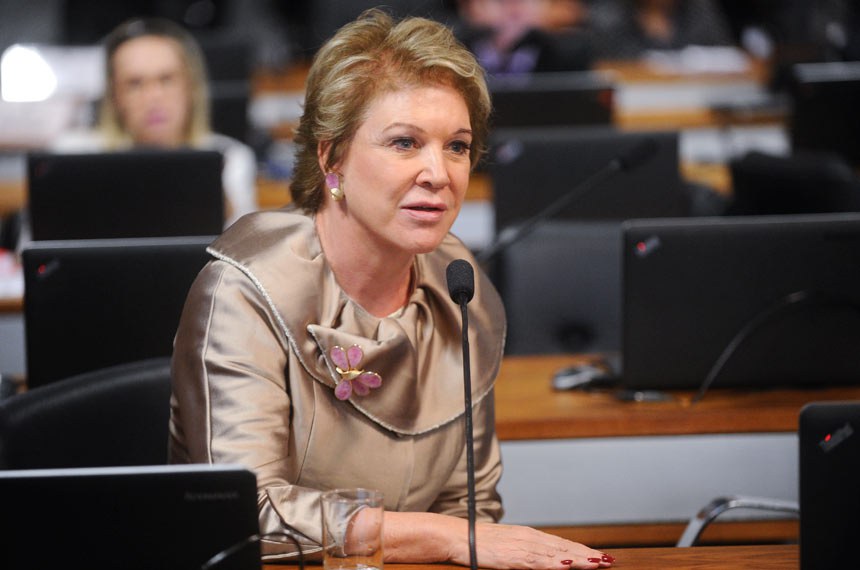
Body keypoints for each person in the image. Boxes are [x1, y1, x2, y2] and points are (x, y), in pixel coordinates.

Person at [169, 8, 614, 570]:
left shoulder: (459, 286)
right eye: (405, 143)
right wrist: (442, 538)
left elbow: (471, 509)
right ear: (331, 158)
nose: (439, 173)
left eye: (457, 146)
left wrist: (454, 538)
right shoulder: (244, 291)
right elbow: (247, 514)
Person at [54, 16, 258, 227]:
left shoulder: (230, 158)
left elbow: (246, 246)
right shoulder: (73, 158)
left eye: (167, 79)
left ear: (191, 87)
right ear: (114, 97)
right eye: (134, 83)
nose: (153, 97)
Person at [452, 0, 594, 75]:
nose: (514, 8)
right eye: (501, 1)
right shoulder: (456, 50)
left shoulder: (566, 53)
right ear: (472, 7)